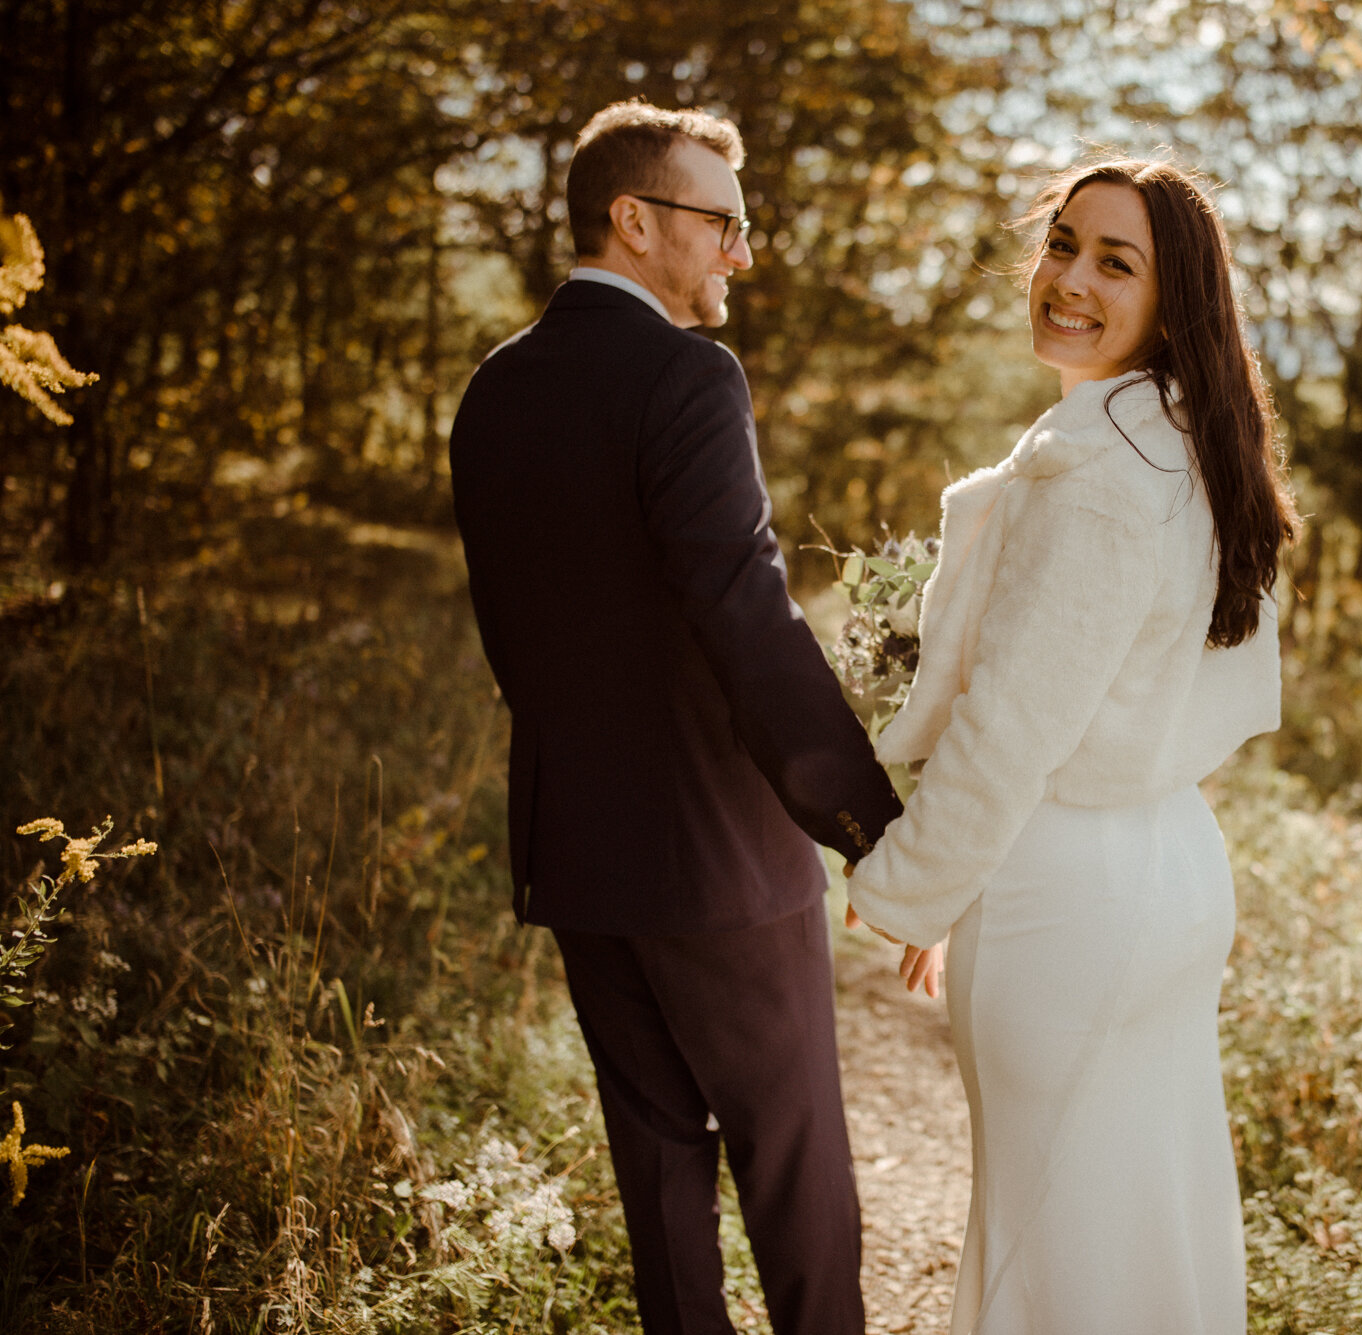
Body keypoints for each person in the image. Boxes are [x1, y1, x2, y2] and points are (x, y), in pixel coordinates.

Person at [449, 100, 903, 1335]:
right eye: (723, 226)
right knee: (791, 1159)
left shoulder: (495, 386)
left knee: (657, 1171)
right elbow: (744, 617)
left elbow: (519, 631)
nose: (741, 256)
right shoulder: (686, 375)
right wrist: (867, 820)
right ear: (634, 221)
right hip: (717, 858)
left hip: (577, 849)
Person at [844, 157, 1298, 1334]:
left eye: (1114, 261)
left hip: (1065, 892)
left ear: (1172, 300)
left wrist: (909, 888)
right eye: (1060, 244)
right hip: (1170, 867)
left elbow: (1009, 729)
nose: (1068, 279)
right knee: (1145, 1211)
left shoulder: (1096, 473)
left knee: (1046, 1244)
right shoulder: (1188, 444)